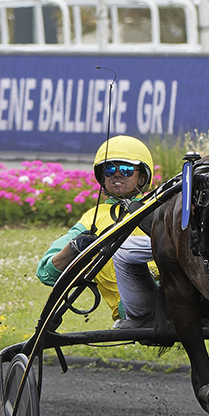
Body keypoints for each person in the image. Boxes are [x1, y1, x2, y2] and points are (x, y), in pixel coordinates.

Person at [36, 135, 158, 329]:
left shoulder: (159, 207)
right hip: (136, 309)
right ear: (102, 177)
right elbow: (46, 273)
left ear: (142, 177)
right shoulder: (90, 219)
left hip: (178, 291)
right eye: (109, 170)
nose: (116, 175)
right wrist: (73, 248)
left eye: (126, 169)